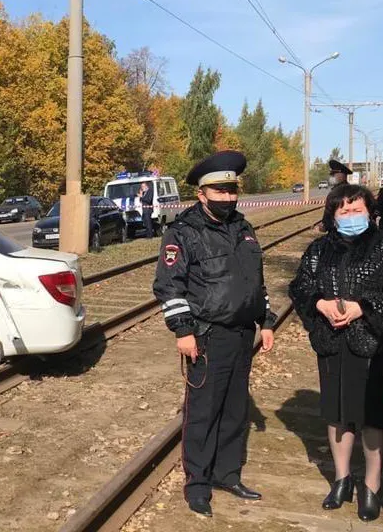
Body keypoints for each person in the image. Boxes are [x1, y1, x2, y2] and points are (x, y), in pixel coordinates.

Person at [153, 150, 276, 517]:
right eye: (219, 191)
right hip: (206, 336)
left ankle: (227, 474)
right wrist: (183, 330)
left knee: (235, 410)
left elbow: (255, 280)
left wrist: (266, 320)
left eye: (231, 191)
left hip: (241, 335)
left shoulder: (243, 228)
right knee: (203, 412)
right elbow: (169, 287)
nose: (227, 198)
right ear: (201, 194)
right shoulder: (184, 232)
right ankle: (198, 484)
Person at [289, 184, 383, 521]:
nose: (351, 216)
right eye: (344, 210)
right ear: (332, 214)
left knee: (373, 416)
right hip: (332, 342)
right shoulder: (318, 249)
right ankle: (341, 479)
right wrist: (319, 303)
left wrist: (364, 307)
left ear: (371, 212)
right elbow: (300, 285)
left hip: (373, 342)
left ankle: (371, 486)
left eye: (357, 209)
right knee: (337, 413)